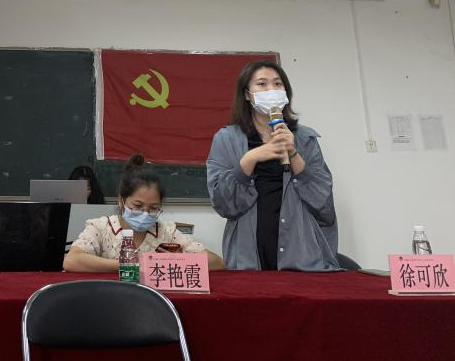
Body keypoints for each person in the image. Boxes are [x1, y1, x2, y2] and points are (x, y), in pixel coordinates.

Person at [206, 61, 338, 271]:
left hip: (301, 252)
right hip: (249, 252)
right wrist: (250, 159)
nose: (271, 90)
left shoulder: (305, 138)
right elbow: (223, 203)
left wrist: (293, 153)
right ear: (247, 94)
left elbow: (323, 202)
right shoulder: (226, 139)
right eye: (262, 84)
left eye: (277, 84)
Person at [63, 154, 225, 271]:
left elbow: (217, 263)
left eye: (153, 208)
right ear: (121, 200)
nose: (145, 213)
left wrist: (173, 260)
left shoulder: (166, 232)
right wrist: (130, 265)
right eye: (138, 206)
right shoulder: (101, 227)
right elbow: (72, 261)